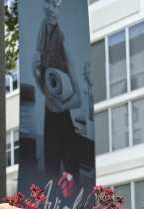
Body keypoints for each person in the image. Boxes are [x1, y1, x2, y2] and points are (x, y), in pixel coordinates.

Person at [32, 0, 82, 182]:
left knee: (70, 178)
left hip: (62, 119)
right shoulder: (43, 36)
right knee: (50, 174)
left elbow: (79, 98)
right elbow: (46, 91)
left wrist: (60, 106)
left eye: (56, 5)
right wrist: (34, 72)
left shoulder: (63, 44)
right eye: (49, 3)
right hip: (49, 116)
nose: (52, 9)